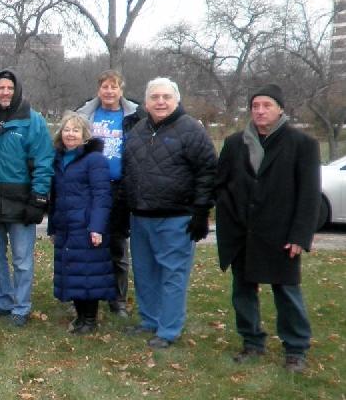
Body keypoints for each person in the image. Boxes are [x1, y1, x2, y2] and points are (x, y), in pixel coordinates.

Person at [215, 84, 321, 373]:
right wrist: (227, 212)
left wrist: (300, 236)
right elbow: (220, 183)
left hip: (280, 233)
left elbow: (309, 195)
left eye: (267, 105)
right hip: (242, 233)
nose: (260, 111)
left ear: (280, 109)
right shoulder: (235, 143)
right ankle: (252, 342)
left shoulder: (302, 144)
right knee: (243, 291)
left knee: (286, 292)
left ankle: (296, 348)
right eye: (255, 106)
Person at [123, 77, 216, 349]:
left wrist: (201, 212)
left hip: (176, 217)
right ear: (146, 102)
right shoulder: (138, 130)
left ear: (176, 100)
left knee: (173, 275)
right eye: (155, 97)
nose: (160, 102)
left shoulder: (191, 130)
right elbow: (128, 170)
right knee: (144, 273)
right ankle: (149, 320)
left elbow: (208, 172)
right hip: (140, 216)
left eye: (166, 97)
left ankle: (168, 330)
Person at [0, 69, 54, 327]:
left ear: (17, 90)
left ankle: (21, 307)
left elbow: (44, 162)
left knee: (22, 260)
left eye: (9, 88)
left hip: (21, 201)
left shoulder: (33, 121)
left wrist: (39, 198)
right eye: (1, 88)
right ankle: (3, 301)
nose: (5, 92)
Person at [76, 70, 144, 318]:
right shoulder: (86, 115)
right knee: (89, 242)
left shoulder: (133, 117)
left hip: (119, 187)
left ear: (121, 90)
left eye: (114, 87)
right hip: (91, 187)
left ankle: (118, 299)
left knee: (117, 245)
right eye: (105, 87)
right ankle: (88, 294)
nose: (109, 91)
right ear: (99, 90)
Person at [48, 112, 114, 335]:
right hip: (66, 226)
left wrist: (97, 227)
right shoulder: (58, 159)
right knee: (72, 273)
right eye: (66, 130)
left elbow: (102, 195)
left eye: (75, 130)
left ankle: (90, 319)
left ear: (85, 134)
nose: (70, 134)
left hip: (86, 226)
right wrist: (53, 227)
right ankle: (80, 316)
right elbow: (55, 196)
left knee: (88, 274)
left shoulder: (94, 160)